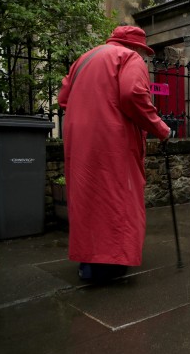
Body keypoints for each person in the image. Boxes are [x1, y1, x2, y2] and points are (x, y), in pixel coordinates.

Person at [58, 25, 171, 282]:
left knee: (87, 196)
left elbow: (63, 98)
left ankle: (88, 262)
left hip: (79, 137)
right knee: (118, 194)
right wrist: (161, 129)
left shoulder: (85, 58)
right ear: (135, 46)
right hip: (112, 137)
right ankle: (110, 263)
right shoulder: (129, 58)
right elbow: (133, 94)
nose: (142, 55)